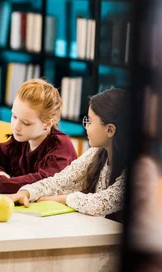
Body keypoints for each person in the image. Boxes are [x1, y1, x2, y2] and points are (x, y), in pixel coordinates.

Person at [7, 87, 129, 220]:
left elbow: (104, 201)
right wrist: (27, 192)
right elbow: (60, 181)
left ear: (110, 130)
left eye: (89, 121)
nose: (86, 126)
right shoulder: (96, 153)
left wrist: (63, 199)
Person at [0, 78, 77, 194]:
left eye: (26, 123)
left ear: (47, 124)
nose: (16, 127)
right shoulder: (20, 141)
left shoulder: (61, 147)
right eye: (14, 116)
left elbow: (42, 183)